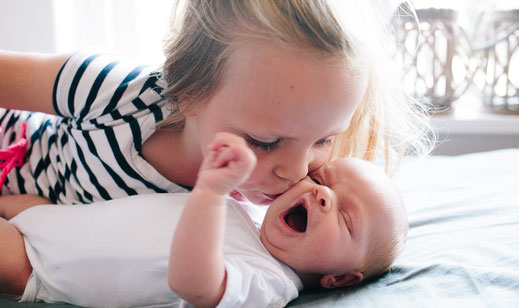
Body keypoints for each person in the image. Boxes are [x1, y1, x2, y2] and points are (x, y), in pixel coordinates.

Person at [0, 0, 434, 206]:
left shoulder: (279, 201)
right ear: (186, 90)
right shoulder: (116, 92)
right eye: (264, 141)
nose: (295, 171)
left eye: (324, 139)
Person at [0, 132, 407, 308]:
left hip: (38, 266)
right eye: (322, 180)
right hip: (51, 216)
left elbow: (193, 282)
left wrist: (213, 193)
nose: (322, 196)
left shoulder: (270, 283)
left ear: (340, 279)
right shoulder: (247, 216)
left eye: (346, 217)